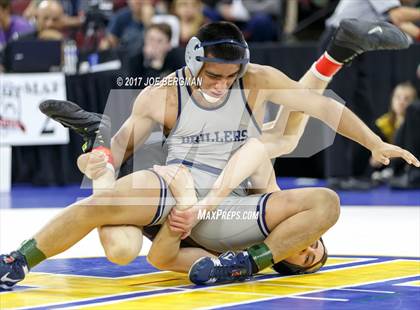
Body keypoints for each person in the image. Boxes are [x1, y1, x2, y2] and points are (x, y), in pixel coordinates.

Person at [1, 20, 418, 291]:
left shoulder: (254, 79)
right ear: (193, 60)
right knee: (282, 140)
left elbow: (162, 257)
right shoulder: (163, 93)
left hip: (218, 209)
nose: (221, 85)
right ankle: (17, 259)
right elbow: (119, 148)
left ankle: (334, 55)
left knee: (122, 249)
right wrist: (375, 143)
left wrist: (182, 217)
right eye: (213, 75)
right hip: (180, 181)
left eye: (230, 77)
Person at [320, 0, 420, 191]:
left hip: (357, 46)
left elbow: (400, 22)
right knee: (339, 109)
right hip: (339, 42)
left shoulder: (388, 6)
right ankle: (337, 175)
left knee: (364, 112)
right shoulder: (392, 6)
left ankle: (360, 172)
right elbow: (398, 16)